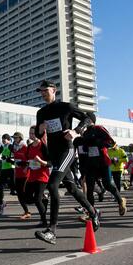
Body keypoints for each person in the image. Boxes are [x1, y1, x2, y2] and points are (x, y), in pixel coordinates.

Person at [33, 80, 98, 245]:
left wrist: (76, 131)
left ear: (54, 90)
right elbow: (41, 137)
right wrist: (40, 133)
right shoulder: (41, 113)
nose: (43, 93)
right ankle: (93, 212)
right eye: (40, 91)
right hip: (54, 153)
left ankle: (52, 231)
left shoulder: (66, 107)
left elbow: (89, 118)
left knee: (53, 185)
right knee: (71, 187)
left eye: (45, 90)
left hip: (67, 150)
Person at [78, 120, 127, 216]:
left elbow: (111, 142)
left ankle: (121, 200)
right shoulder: (86, 132)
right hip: (91, 163)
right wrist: (85, 144)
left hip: (103, 162)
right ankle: (91, 213)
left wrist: (97, 142)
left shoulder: (99, 128)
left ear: (91, 120)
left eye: (86, 120)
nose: (85, 122)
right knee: (90, 188)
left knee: (107, 184)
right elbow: (84, 149)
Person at [24, 125, 49, 226]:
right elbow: (29, 159)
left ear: (38, 134)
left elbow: (50, 163)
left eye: (33, 133)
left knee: (37, 200)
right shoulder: (29, 146)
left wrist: (40, 161)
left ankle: (44, 221)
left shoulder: (43, 146)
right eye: (30, 133)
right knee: (28, 199)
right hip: (32, 176)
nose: (31, 135)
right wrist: (27, 166)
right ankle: (44, 199)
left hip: (42, 176)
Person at [10, 132, 31, 219]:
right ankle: (26, 212)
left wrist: (24, 164)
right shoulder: (15, 149)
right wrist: (10, 161)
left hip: (26, 174)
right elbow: (16, 162)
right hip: (18, 174)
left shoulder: (25, 148)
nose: (14, 140)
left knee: (26, 194)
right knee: (19, 194)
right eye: (13, 138)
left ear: (20, 138)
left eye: (16, 138)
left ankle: (43, 199)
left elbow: (29, 161)